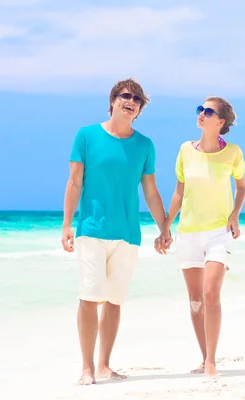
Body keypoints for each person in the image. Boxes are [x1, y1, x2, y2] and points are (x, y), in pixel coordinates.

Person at [61, 78, 171, 386]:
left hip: (127, 233)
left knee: (114, 301)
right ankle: (86, 367)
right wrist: (67, 224)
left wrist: (164, 227)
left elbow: (150, 191)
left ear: (139, 110)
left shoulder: (144, 145)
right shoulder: (87, 136)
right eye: (126, 96)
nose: (132, 101)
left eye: (137, 100)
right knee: (89, 296)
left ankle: (105, 365)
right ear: (113, 100)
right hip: (91, 230)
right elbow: (74, 182)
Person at [155, 96, 245, 377]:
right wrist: (166, 228)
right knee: (195, 299)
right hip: (188, 233)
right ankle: (203, 356)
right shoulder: (185, 150)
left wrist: (235, 215)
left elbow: (241, 188)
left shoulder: (233, 153)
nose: (201, 114)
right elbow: (179, 193)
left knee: (210, 295)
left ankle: (212, 363)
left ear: (220, 122)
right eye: (200, 109)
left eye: (207, 111)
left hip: (219, 233)